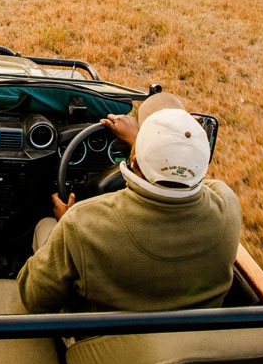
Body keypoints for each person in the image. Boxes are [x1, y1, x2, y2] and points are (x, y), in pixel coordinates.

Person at [17, 92, 242, 314]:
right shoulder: (228, 204)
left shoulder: (80, 224)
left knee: (46, 225)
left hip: (99, 343)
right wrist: (149, 144)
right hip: (192, 340)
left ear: (133, 160)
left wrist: (65, 225)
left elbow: (33, 298)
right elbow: (181, 176)